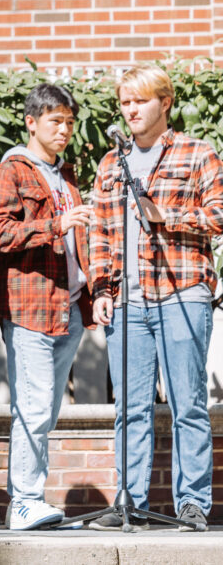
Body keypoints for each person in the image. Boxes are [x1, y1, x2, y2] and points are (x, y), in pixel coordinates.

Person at [88, 65, 219, 532]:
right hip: (127, 302)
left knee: (187, 404)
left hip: (182, 293)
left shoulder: (197, 153)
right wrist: (100, 288)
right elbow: (100, 232)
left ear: (164, 103)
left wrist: (169, 216)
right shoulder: (109, 163)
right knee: (131, 409)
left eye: (140, 101)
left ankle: (192, 504)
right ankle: (130, 502)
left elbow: (219, 214)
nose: (130, 110)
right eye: (125, 102)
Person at [0, 84, 93, 530]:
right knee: (33, 403)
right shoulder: (10, 173)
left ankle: (32, 498)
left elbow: (80, 244)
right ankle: (24, 500)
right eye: (55, 121)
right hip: (29, 309)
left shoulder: (66, 179)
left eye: (69, 121)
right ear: (31, 122)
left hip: (69, 308)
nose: (64, 129)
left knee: (45, 407)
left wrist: (94, 292)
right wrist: (55, 224)